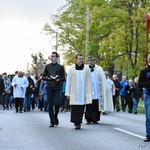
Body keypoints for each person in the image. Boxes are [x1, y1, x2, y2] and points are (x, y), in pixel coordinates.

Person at [65, 54, 92, 129]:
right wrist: (67, 92)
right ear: (76, 59)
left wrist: (90, 91)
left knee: (81, 107)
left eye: (82, 59)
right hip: (74, 91)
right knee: (74, 107)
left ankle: (79, 121)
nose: (81, 60)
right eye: (79, 59)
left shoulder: (86, 68)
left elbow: (89, 80)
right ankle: (75, 122)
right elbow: (68, 81)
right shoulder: (71, 69)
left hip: (83, 90)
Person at [43, 51, 65, 127]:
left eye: (53, 56)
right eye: (51, 56)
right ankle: (52, 121)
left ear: (57, 57)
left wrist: (59, 79)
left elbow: (63, 78)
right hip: (49, 86)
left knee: (57, 103)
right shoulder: (47, 66)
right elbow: (43, 77)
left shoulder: (60, 67)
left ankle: (55, 116)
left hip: (57, 86)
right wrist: (47, 78)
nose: (52, 58)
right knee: (50, 104)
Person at [85, 57, 105, 124]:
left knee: (96, 104)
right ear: (88, 61)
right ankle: (88, 118)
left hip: (97, 89)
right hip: (89, 89)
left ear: (95, 61)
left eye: (93, 60)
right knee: (89, 104)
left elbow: (102, 79)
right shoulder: (85, 68)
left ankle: (95, 118)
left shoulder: (99, 69)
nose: (91, 62)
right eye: (90, 60)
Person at [138, 55, 150, 142]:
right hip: (148, 95)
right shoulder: (144, 71)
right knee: (149, 116)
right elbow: (140, 84)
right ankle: (149, 134)